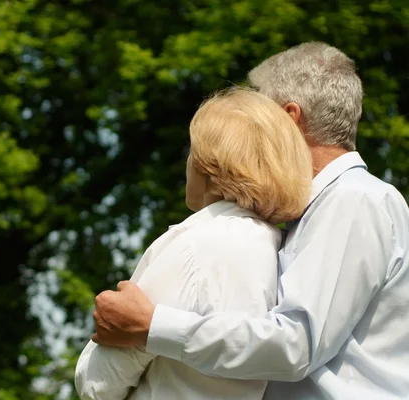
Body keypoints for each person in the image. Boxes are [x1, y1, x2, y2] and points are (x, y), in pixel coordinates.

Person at [91, 42, 409, 399]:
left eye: (259, 114)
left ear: (289, 119)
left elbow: (295, 345)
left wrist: (151, 325)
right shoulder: (308, 212)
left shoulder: (353, 201)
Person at [75, 88, 313, 399]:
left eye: (193, 149)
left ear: (212, 169)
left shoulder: (192, 245)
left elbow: (98, 384)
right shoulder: (284, 252)